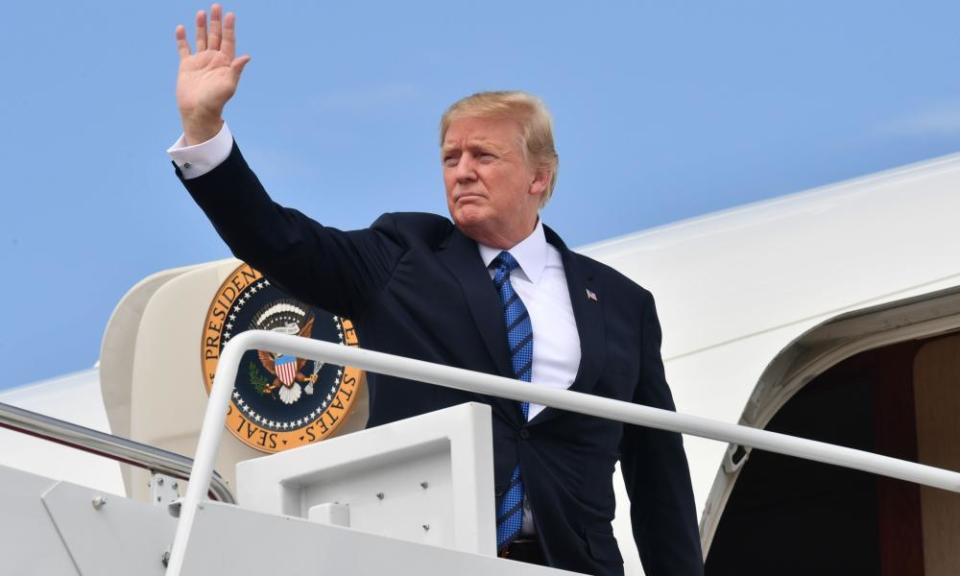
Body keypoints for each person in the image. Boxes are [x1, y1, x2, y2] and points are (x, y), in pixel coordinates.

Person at [170, 5, 703, 575]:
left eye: (483, 156)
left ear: (539, 176)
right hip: (431, 557)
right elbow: (280, 240)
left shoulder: (623, 305)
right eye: (451, 158)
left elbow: (657, 478)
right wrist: (205, 133)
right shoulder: (401, 254)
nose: (462, 171)